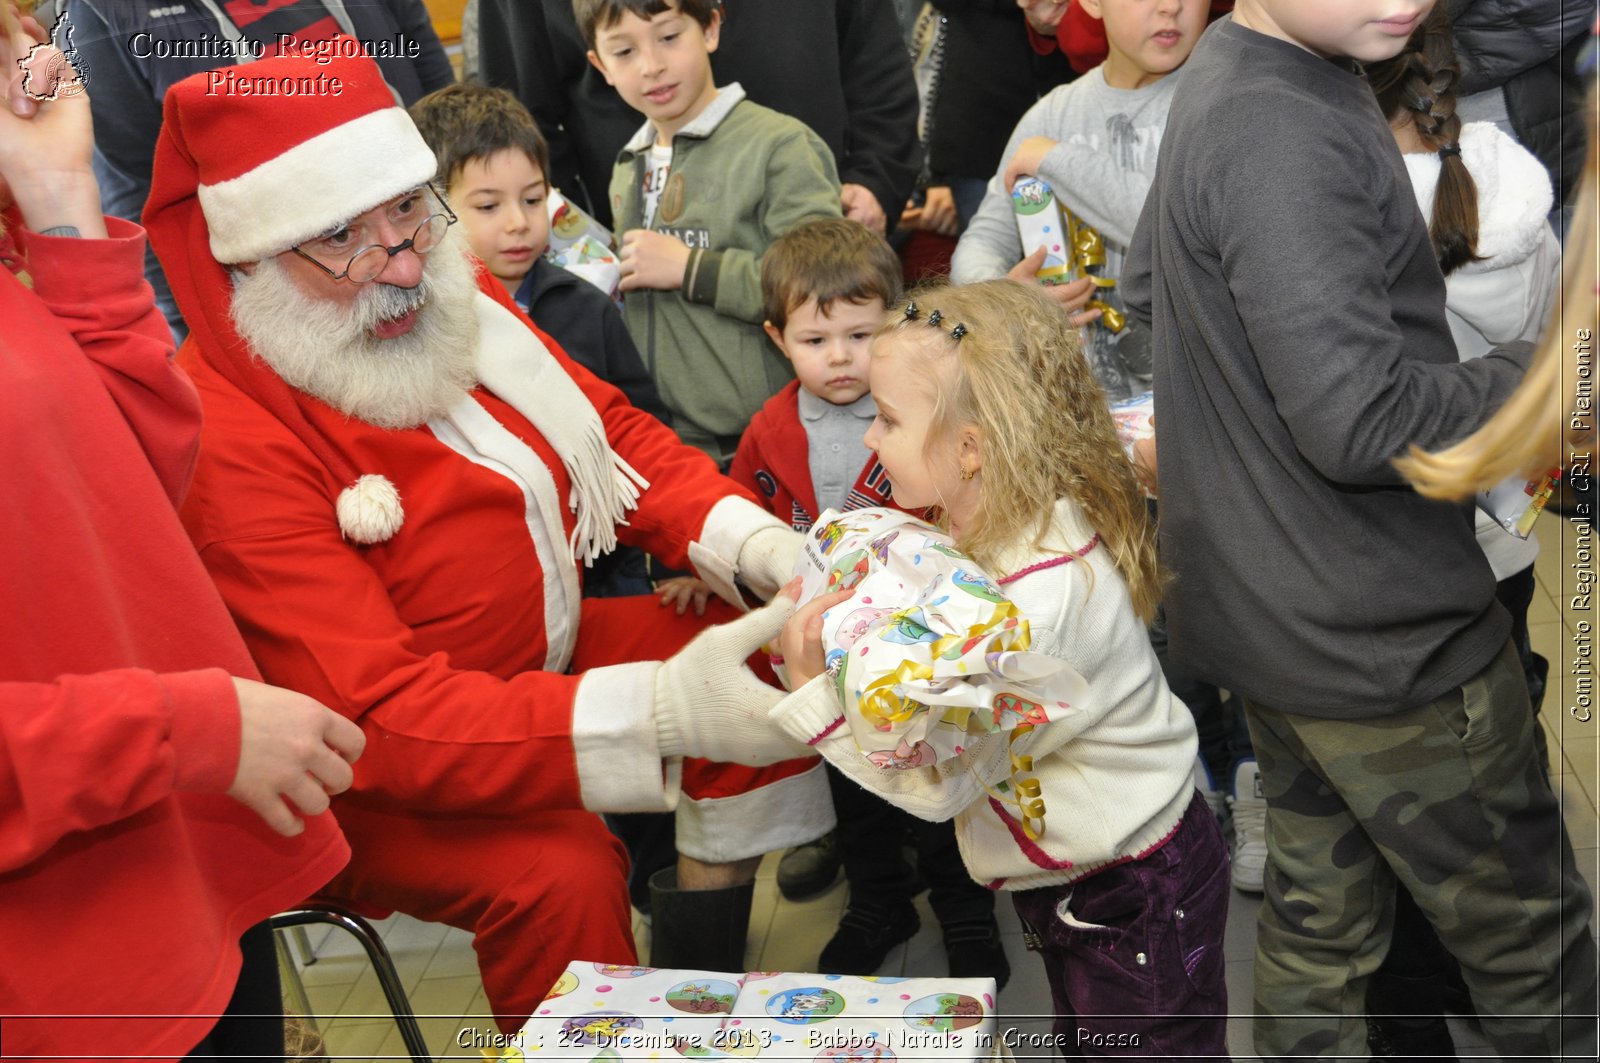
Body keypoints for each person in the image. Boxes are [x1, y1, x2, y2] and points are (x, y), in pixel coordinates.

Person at [143, 48, 832, 1033]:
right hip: (358, 773)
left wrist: (772, 555)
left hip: (528, 666)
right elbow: (380, 722)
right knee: (560, 874)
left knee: (782, 644)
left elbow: (615, 442)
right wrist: (662, 710)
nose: (406, 257)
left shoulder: (434, 288)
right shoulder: (231, 437)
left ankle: (689, 1012)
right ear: (248, 257)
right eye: (342, 234)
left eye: (407, 208)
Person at [1122, 1, 1598, 1057]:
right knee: (1534, 949)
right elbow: (1358, 421)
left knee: (1322, 925)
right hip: (1380, 636)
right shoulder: (1279, 125)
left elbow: (1145, 278)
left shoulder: (1250, 63)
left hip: (1272, 608)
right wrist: (1554, 373)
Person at [0, 6, 365, 1058]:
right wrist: (183, 729)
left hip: (165, 865)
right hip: (65, 972)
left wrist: (63, 203)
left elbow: (132, 479)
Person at [773, 280, 1231, 1058]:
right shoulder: (1005, 519)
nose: (869, 442)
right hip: (1082, 876)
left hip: (1131, 888)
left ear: (971, 446)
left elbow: (948, 777)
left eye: (887, 420)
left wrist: (818, 694)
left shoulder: (1035, 606)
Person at [1361, 13, 1563, 1055]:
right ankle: (1512, 984)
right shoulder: (1511, 193)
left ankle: (1414, 1004)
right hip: (1504, 534)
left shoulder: (1351, 210)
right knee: (1503, 750)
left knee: (1394, 804)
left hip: (1390, 548)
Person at [409, 82, 667, 600]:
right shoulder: (415, 326)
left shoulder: (587, 307)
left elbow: (644, 429)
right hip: (496, 574)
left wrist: (670, 562)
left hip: (606, 564)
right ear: (429, 205)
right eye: (487, 206)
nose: (519, 222)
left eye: (533, 199)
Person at [66, 0, 454, 343]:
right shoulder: (103, 12)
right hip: (280, 305)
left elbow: (436, 101)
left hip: (424, 236)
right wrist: (199, 330)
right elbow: (138, 194)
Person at [576, 0, 845, 466]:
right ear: (600, 66)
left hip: (763, 441)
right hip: (667, 440)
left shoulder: (780, 145)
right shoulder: (627, 164)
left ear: (711, 28)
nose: (652, 66)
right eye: (624, 52)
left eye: (668, 37)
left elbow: (823, 289)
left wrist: (690, 268)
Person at [478, 0, 918, 237]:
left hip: (823, 220)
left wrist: (877, 181)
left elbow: (873, 58)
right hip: (639, 242)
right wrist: (584, 242)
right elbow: (519, 115)